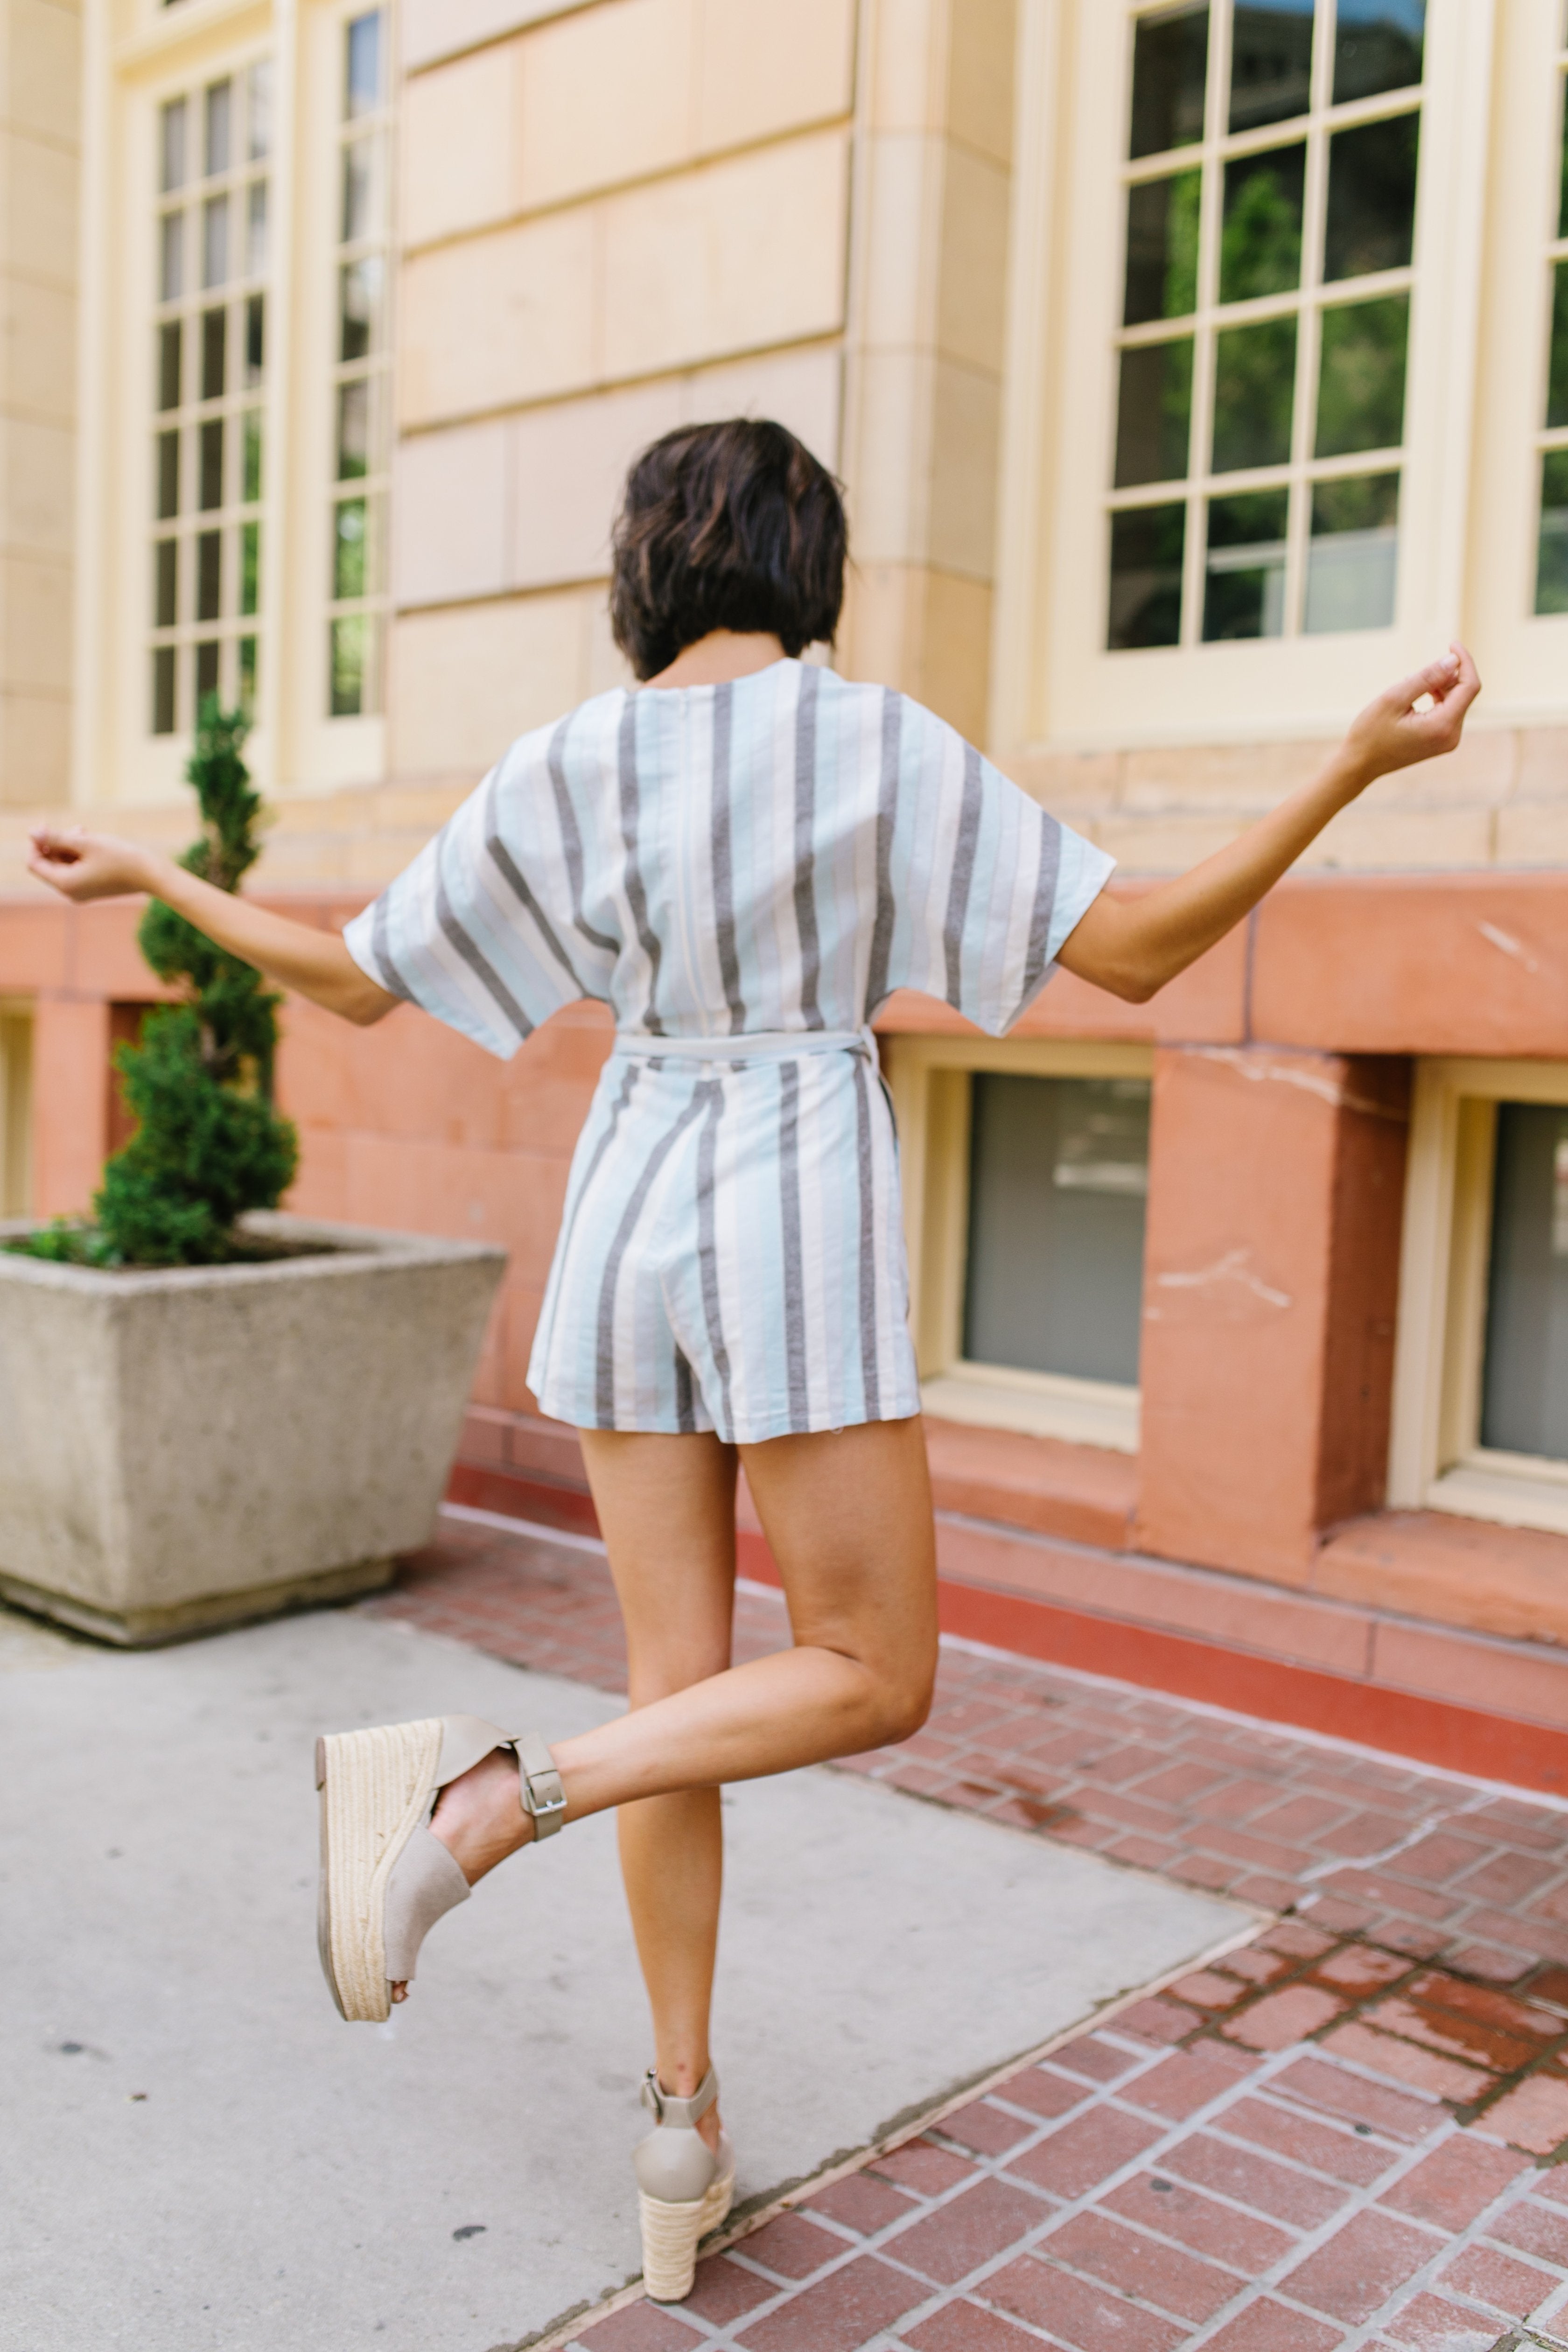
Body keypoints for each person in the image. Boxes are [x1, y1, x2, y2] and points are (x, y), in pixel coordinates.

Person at [29, 418, 1481, 2302]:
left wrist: (147, 864)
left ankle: (678, 2123)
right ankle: (485, 1803)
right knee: (871, 1675)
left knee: (678, 1692)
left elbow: (356, 976)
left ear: (651, 563)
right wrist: (1345, 771)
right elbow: (1133, 950)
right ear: (809, 558)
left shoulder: (572, 758)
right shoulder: (867, 739)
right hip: (794, 1194)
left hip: (633, 1192)